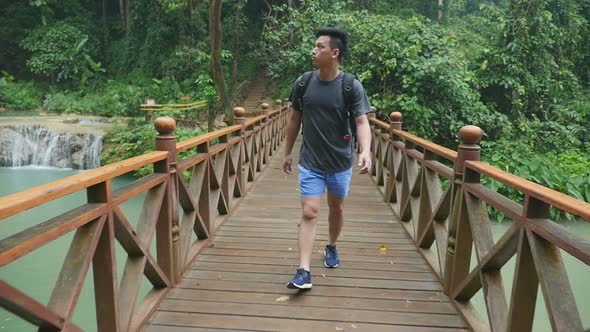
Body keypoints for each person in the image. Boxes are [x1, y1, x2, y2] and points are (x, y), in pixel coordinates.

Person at [283, 27, 372, 290]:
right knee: (310, 211)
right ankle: (304, 270)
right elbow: (294, 119)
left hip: (340, 162)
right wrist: (288, 152)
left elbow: (361, 120)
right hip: (310, 161)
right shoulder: (303, 83)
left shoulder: (350, 86)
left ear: (335, 53)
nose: (314, 50)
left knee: (337, 208)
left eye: (319, 46)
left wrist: (365, 150)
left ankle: (331, 245)